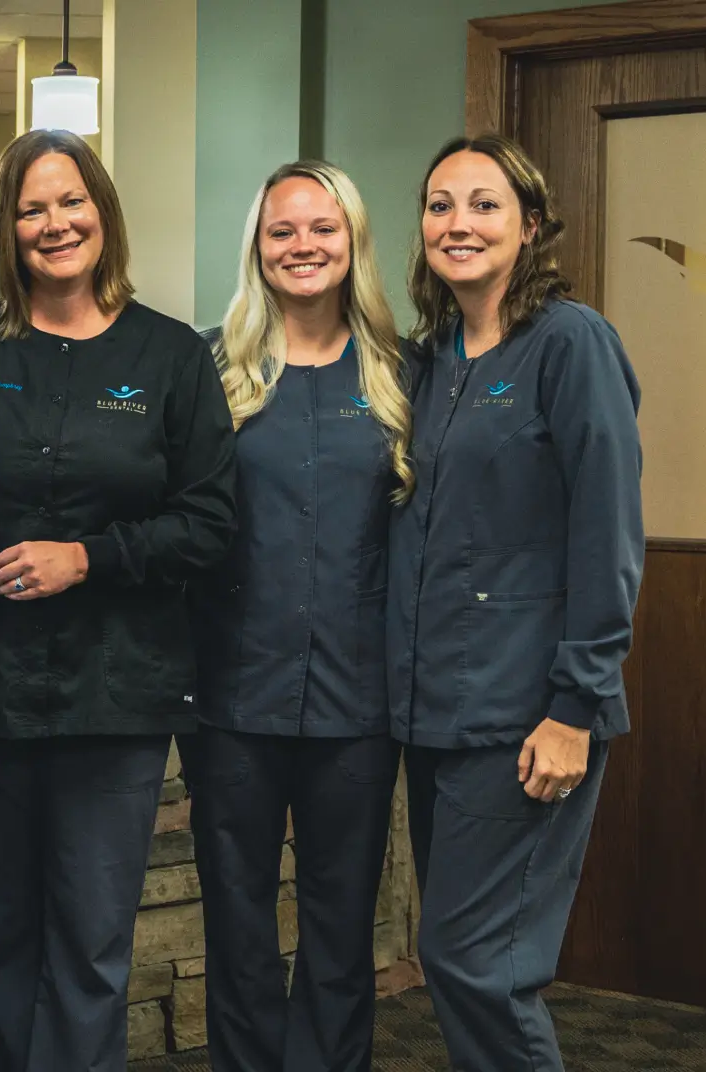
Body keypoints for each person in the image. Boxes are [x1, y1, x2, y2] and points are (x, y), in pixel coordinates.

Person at [0, 128, 238, 1071]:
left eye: (71, 201)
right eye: (32, 208)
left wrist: (86, 558)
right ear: (8, 230)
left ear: (104, 213)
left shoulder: (170, 355)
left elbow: (211, 524)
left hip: (117, 694)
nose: (56, 224)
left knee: (91, 945)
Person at [393, 133, 642, 1071]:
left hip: (528, 714)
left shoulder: (571, 343)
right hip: (439, 714)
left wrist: (576, 705)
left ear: (530, 224)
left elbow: (608, 534)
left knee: (480, 964)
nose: (459, 223)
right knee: (459, 960)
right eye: (441, 204)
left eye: (485, 204)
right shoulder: (432, 358)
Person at [184, 161, 411, 1070]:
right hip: (231, 701)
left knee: (340, 924)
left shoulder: (403, 373)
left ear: (351, 241)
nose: (302, 245)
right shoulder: (208, 370)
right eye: (283, 230)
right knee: (236, 926)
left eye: (323, 228)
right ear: (258, 246)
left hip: (360, 703)